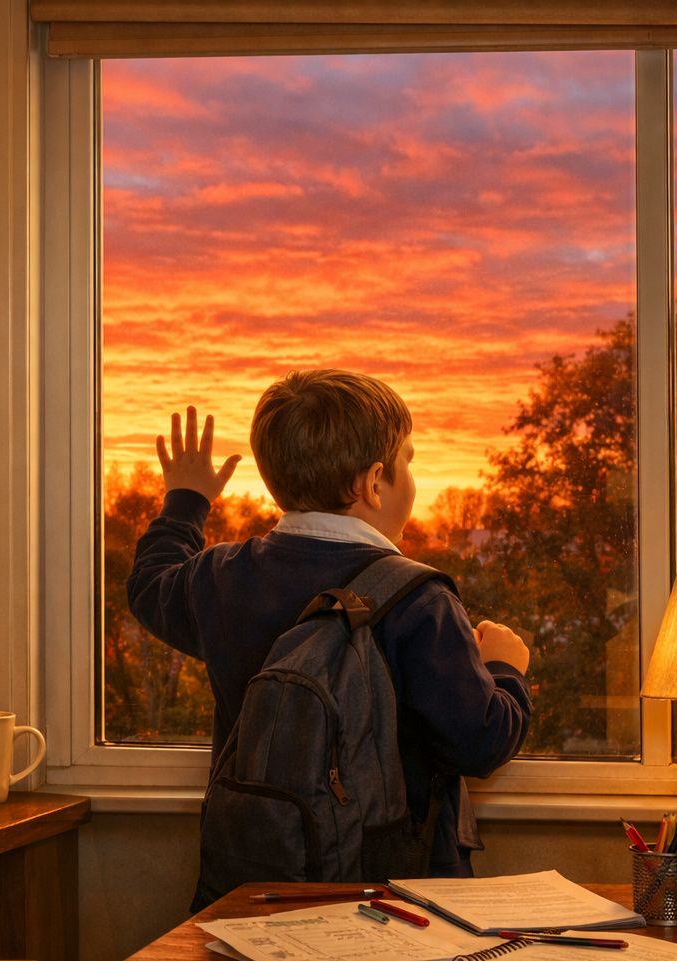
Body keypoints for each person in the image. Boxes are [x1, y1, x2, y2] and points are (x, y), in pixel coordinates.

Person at [128, 370, 531, 899]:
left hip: (257, 887)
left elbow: (149, 584)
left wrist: (186, 499)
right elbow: (478, 742)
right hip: (396, 898)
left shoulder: (221, 579)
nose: (412, 478)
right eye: (409, 461)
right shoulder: (420, 601)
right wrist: (505, 668)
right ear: (374, 483)